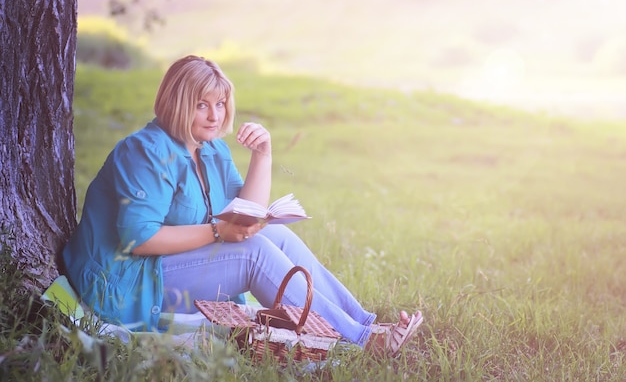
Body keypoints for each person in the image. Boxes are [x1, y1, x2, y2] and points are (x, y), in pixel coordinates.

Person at [62, 55, 423, 356]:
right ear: (177, 102)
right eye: (201, 104)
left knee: (274, 235)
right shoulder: (144, 151)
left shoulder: (212, 149)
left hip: (163, 270)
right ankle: (359, 342)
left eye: (220, 104)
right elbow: (139, 239)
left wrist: (262, 156)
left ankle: (365, 325)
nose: (214, 115)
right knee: (252, 252)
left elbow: (247, 212)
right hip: (127, 282)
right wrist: (219, 231)